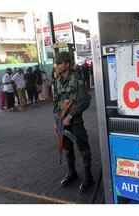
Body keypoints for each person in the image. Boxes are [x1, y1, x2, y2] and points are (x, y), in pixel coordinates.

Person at [53, 52, 93, 193]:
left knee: (83, 149)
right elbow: (56, 101)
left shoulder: (77, 78)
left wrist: (70, 116)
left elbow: (85, 100)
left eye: (59, 63)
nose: (56, 66)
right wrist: (56, 120)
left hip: (75, 122)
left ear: (67, 64)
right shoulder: (57, 80)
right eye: (56, 63)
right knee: (67, 149)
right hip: (62, 122)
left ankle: (88, 177)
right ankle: (72, 173)